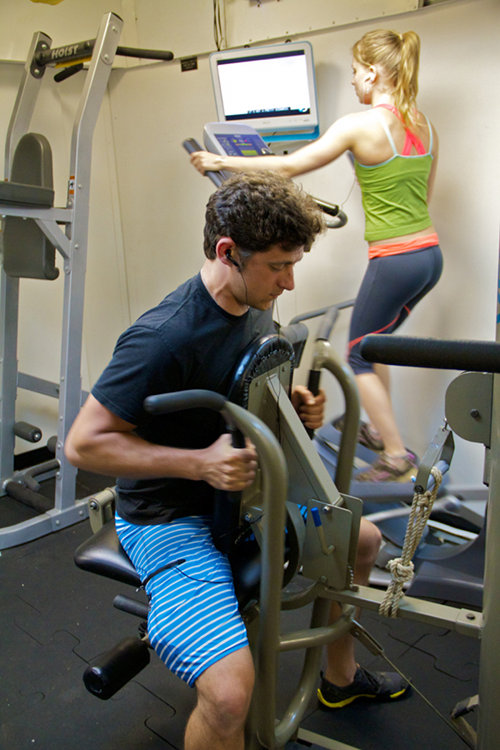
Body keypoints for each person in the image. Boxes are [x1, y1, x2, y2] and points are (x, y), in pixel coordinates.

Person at [65, 173, 406, 750]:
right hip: (168, 517)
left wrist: (289, 403)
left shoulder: (254, 303)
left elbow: (240, 388)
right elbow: (83, 444)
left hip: (242, 494)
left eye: (293, 264)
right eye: (278, 266)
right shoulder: (162, 336)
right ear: (228, 253)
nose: (289, 280)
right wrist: (200, 464)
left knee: (360, 541)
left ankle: (339, 680)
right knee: (228, 696)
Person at [191, 29, 443, 484]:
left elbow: (289, 166)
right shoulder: (423, 126)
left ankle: (393, 454)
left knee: (357, 353)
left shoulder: (360, 124)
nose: (352, 83)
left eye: (353, 72)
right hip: (428, 256)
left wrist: (217, 163)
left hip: (395, 257)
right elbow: (422, 195)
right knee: (374, 341)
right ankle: (376, 430)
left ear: (372, 70)